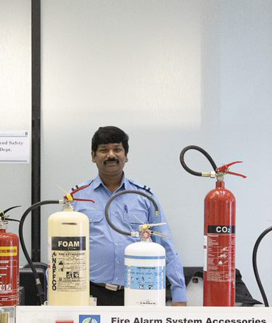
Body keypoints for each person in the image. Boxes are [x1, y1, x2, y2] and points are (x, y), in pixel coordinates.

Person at [71, 126, 187, 306]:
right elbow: (61, 250)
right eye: (103, 150)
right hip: (89, 294)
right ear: (93, 156)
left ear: (126, 155)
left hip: (139, 293)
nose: (111, 155)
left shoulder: (144, 197)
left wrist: (179, 294)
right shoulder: (77, 197)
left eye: (117, 149)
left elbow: (166, 245)